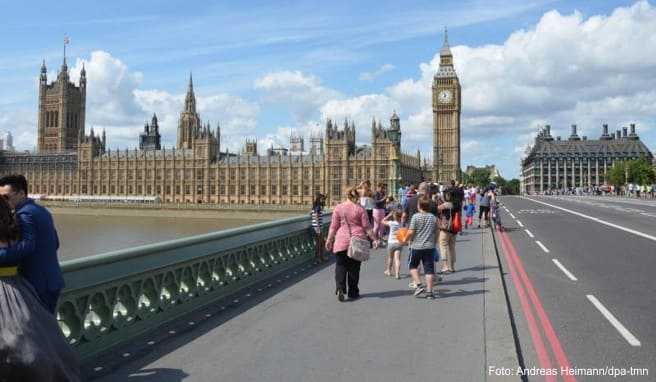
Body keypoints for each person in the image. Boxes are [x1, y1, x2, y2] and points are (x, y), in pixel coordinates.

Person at [0, 196, 81, 381]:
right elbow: (52, 244)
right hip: (21, 289)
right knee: (34, 338)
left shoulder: (25, 218)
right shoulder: (17, 229)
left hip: (8, 290)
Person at [0, 175, 64, 314]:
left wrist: (2, 255)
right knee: (47, 327)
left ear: (22, 193)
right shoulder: (41, 210)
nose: (3, 202)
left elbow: (27, 246)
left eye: (6, 197)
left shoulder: (24, 214)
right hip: (52, 280)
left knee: (38, 330)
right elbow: (56, 243)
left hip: (36, 283)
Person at [325, 185, 379, 301]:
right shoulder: (360, 209)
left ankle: (340, 288)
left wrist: (329, 239)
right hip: (357, 240)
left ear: (346, 195)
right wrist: (374, 239)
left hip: (341, 240)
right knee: (354, 268)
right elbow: (367, 227)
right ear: (357, 196)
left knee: (340, 265)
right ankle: (353, 292)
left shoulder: (338, 208)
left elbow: (333, 227)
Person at [405, 197, 439, 299]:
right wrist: (434, 242)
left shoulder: (415, 217)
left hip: (416, 246)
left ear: (419, 206)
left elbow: (411, 232)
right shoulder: (433, 217)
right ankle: (430, 292)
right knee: (429, 270)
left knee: (412, 266)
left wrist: (405, 239)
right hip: (429, 247)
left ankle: (419, 285)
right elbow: (437, 232)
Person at [437, 187, 458, 274]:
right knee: (452, 248)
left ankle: (445, 266)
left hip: (445, 229)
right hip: (454, 229)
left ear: (447, 195)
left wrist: (438, 200)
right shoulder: (456, 204)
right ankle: (452, 267)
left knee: (443, 245)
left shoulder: (445, 205)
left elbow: (436, 209)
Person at [382, 210, 404, 279]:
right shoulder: (401, 223)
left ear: (394, 216)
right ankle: (397, 273)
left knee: (390, 258)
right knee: (397, 259)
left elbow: (382, 221)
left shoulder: (391, 223)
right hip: (399, 242)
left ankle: (388, 270)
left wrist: (388, 215)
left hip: (391, 242)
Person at [311, 192, 327, 263]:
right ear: (319, 199)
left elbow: (313, 214)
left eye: (323, 199)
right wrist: (318, 228)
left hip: (317, 227)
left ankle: (320, 257)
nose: (323, 200)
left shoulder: (316, 206)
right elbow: (317, 217)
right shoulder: (317, 207)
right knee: (320, 243)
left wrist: (325, 197)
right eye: (322, 199)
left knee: (320, 243)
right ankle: (318, 258)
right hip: (317, 228)